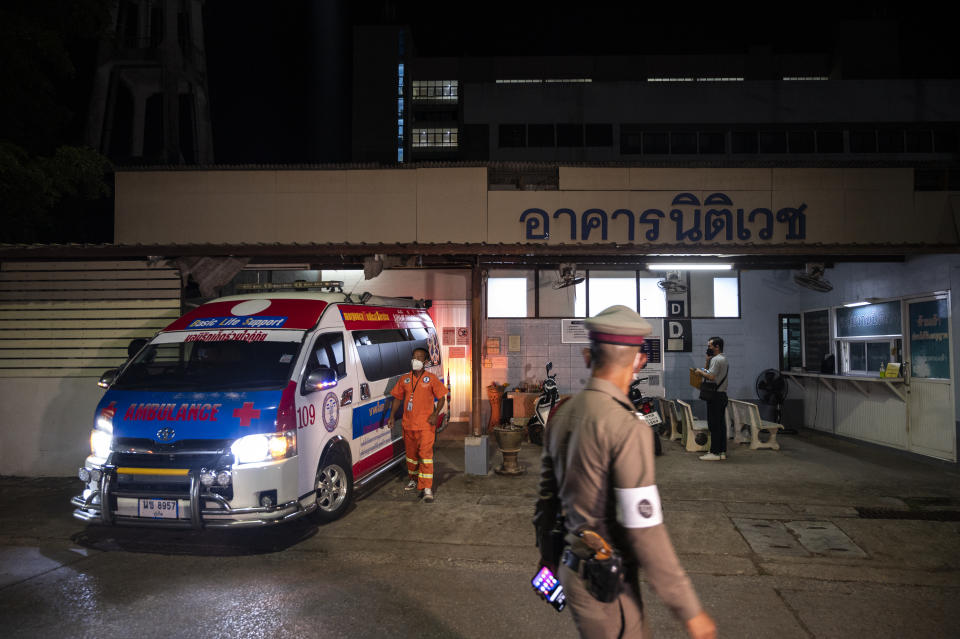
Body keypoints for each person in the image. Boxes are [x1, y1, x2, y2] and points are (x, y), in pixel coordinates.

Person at [535, 305, 716, 639]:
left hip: (572, 572)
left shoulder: (562, 413)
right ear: (637, 360)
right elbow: (645, 529)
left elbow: (546, 502)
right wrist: (690, 611)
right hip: (606, 585)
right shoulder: (627, 427)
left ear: (589, 356)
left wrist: (547, 562)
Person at [390, 347, 446, 503]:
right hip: (408, 425)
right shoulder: (405, 379)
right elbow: (397, 398)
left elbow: (441, 398)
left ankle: (427, 488)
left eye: (420, 357)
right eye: (414, 357)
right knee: (412, 457)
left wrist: (435, 414)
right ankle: (414, 479)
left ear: (425, 361)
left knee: (425, 456)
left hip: (426, 425)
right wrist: (392, 416)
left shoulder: (431, 379)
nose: (416, 360)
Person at [695, 336, 729, 462]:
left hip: (715, 396)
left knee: (714, 425)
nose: (708, 348)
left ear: (717, 347)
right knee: (721, 425)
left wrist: (699, 372)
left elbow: (711, 376)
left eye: (710, 346)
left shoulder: (717, 359)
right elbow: (708, 371)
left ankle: (714, 452)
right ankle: (721, 451)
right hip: (721, 395)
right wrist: (706, 362)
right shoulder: (723, 359)